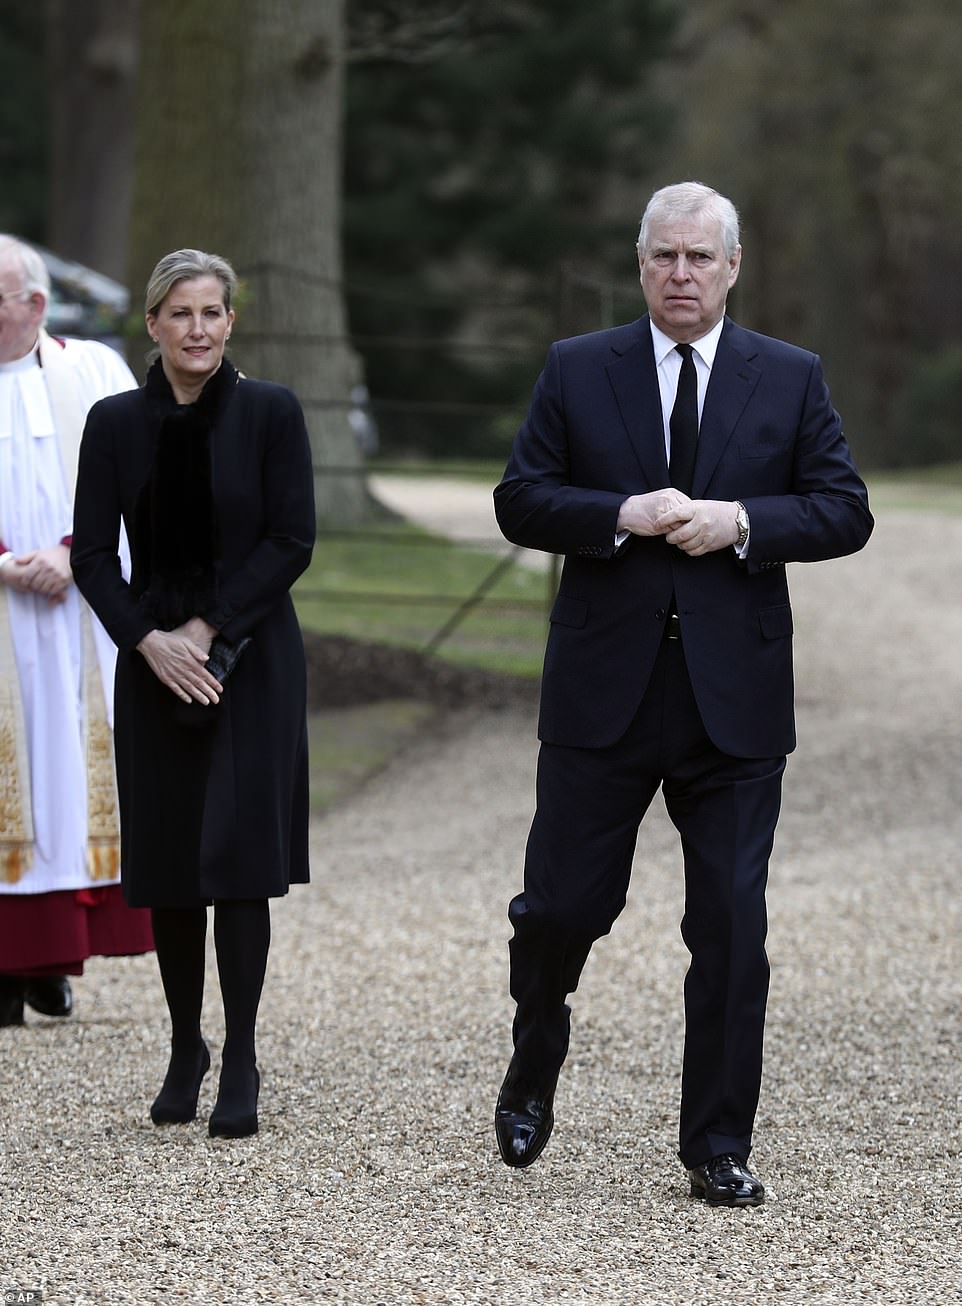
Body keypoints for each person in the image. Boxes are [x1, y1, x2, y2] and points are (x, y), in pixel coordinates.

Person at [492, 182, 874, 1206]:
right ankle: (536, 1047)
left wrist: (741, 522)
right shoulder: (579, 368)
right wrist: (616, 510)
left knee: (731, 930)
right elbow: (519, 496)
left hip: (732, 705)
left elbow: (843, 510)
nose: (679, 275)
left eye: (698, 258)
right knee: (562, 908)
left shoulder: (788, 378)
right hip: (600, 695)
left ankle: (714, 1143)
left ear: (732, 266)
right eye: (662, 256)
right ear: (639, 262)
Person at [71, 249, 316, 1138]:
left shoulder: (271, 413)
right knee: (173, 861)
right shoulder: (114, 424)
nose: (199, 329)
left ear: (230, 321)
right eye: (181, 314)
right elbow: (93, 553)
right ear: (153, 324)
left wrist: (208, 632)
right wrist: (146, 639)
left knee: (241, 858)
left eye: (213, 313)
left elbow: (292, 539)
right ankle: (186, 1046)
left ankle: (242, 1052)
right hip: (150, 659)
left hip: (249, 654)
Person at [0, 234, 154, 1028]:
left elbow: (143, 478)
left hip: (76, 615)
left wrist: (72, 553)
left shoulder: (91, 371)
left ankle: (51, 959)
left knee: (65, 774)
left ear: (33, 304)